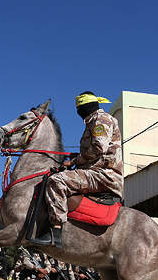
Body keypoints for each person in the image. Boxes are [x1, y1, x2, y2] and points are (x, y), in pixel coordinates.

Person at [31, 91, 123, 248]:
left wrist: (74, 161)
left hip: (103, 175)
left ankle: (56, 233)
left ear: (85, 107)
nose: (78, 113)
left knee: (56, 181)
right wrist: (77, 156)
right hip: (95, 171)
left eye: (79, 109)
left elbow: (98, 149)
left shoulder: (101, 120)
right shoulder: (93, 121)